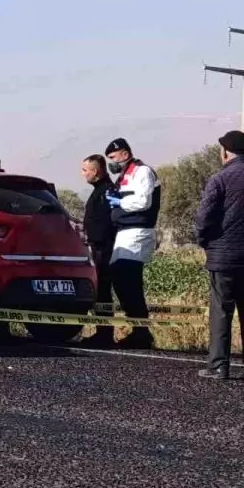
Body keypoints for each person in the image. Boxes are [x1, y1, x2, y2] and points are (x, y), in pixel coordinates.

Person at [193, 130, 244, 380]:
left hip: (223, 257)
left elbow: (204, 219)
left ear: (225, 152)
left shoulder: (220, 179)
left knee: (221, 312)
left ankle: (218, 365)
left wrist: (205, 242)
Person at [104, 137, 161, 348]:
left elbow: (143, 201)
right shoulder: (125, 175)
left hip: (138, 232)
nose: (111, 162)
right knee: (120, 280)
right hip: (124, 232)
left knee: (129, 280)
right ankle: (136, 328)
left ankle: (142, 333)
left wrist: (120, 202)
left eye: (113, 157)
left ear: (125, 154)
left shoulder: (142, 172)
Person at [80, 154, 116, 345]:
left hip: (103, 249)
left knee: (102, 291)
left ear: (96, 171)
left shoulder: (106, 192)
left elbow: (106, 223)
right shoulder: (100, 191)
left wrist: (94, 242)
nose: (83, 174)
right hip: (98, 247)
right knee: (100, 291)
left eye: (85, 170)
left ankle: (105, 333)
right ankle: (103, 331)